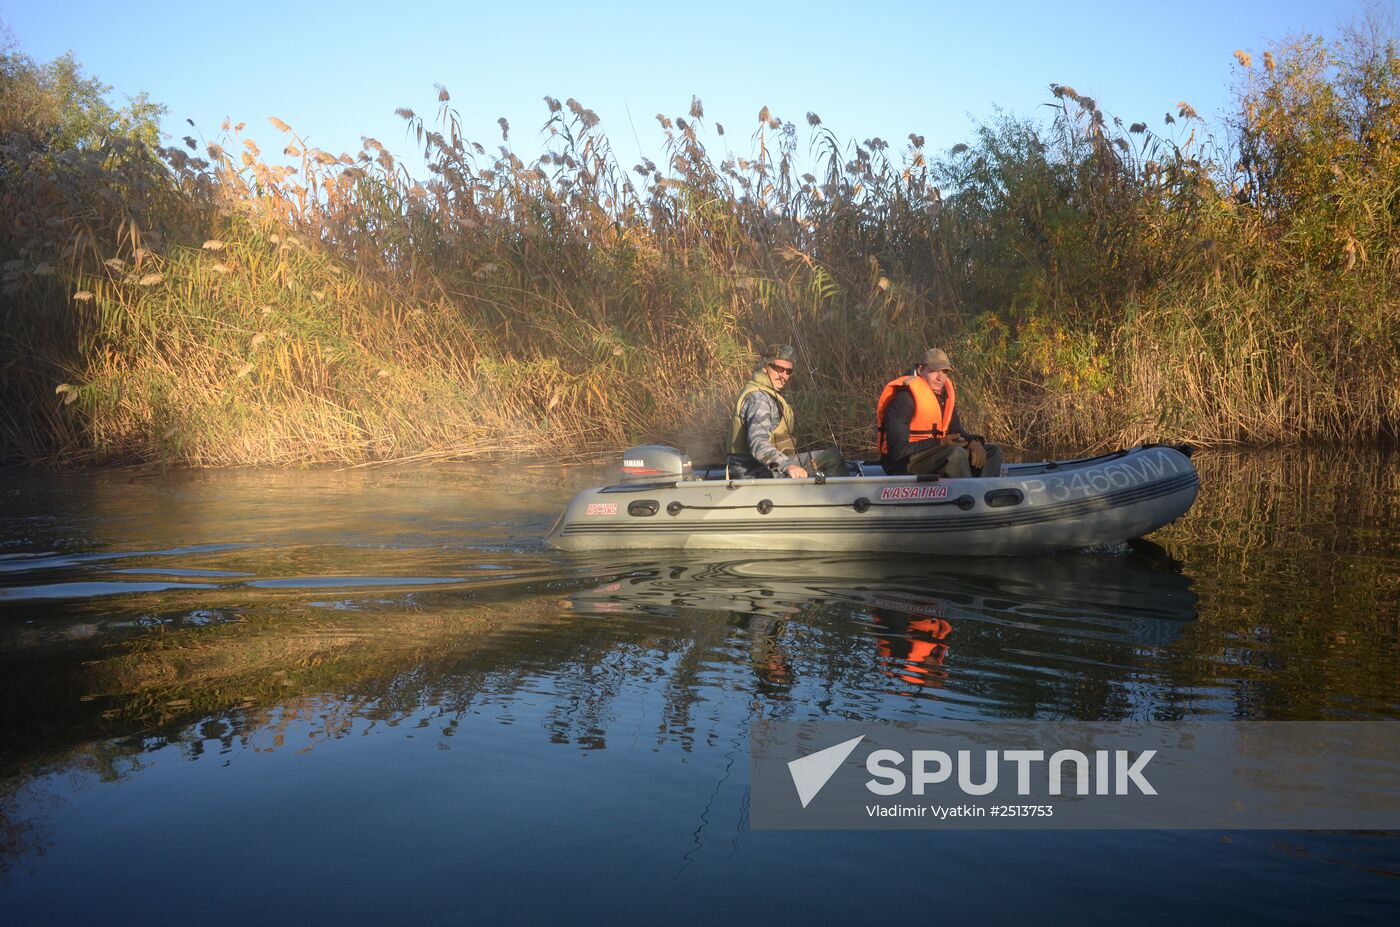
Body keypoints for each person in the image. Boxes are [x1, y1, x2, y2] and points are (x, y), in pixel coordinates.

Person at [876, 348, 1002, 477]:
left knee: (992, 451)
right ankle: (965, 495)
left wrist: (974, 442)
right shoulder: (904, 399)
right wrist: (940, 442)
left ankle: (984, 494)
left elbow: (956, 432)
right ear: (920, 369)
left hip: (934, 454)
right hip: (902, 463)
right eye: (934, 371)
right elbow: (898, 452)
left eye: (944, 372)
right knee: (954, 453)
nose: (940, 378)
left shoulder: (942, 397)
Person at [726, 344, 845, 479]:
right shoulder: (760, 399)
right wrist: (787, 465)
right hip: (752, 472)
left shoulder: (764, 392)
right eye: (779, 369)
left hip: (760, 467)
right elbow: (758, 444)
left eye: (789, 371)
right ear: (765, 367)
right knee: (832, 458)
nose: (784, 376)